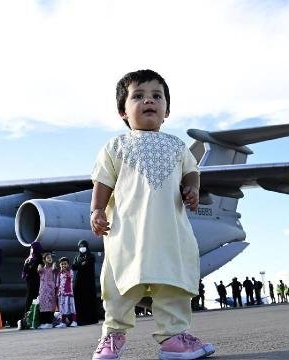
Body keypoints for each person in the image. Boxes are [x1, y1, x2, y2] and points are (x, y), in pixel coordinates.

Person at [89, 70, 214, 359]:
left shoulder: (178, 146)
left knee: (173, 286)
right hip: (126, 235)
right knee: (118, 287)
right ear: (123, 110)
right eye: (139, 96)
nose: (149, 101)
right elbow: (103, 181)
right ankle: (112, 337)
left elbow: (192, 173)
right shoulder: (115, 146)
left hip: (170, 235)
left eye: (157, 96)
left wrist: (192, 189)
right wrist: (97, 209)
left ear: (166, 110)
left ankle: (173, 340)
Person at [71, 239, 98, 326]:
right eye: (80, 246)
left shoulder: (91, 256)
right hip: (78, 282)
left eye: (83, 246)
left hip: (88, 282)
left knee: (88, 301)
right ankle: (80, 320)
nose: (82, 248)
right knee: (79, 301)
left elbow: (87, 264)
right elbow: (73, 266)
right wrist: (81, 264)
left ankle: (90, 319)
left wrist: (81, 265)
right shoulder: (77, 257)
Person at [37, 252, 58, 329]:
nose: (50, 259)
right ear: (44, 260)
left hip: (50, 290)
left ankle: (49, 322)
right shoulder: (41, 268)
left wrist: (54, 266)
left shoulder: (53, 268)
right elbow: (39, 270)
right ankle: (43, 322)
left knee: (49, 306)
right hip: (42, 290)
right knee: (43, 306)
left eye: (50, 257)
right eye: (48, 257)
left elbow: (55, 270)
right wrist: (39, 267)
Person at [22, 240, 43, 312]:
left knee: (35, 298)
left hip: (36, 281)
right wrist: (26, 264)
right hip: (30, 281)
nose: (31, 249)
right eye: (31, 248)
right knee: (29, 298)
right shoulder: (29, 258)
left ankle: (35, 316)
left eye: (32, 248)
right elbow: (25, 269)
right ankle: (27, 315)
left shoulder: (40, 258)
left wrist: (29, 266)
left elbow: (37, 269)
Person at [56, 257, 77, 328]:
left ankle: (74, 321)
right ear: (60, 265)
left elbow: (70, 277)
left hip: (68, 293)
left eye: (65, 264)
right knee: (62, 308)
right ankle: (63, 322)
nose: (63, 265)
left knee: (71, 307)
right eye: (62, 264)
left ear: (68, 265)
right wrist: (58, 292)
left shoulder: (70, 271)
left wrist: (66, 271)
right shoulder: (59, 273)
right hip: (61, 294)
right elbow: (57, 283)